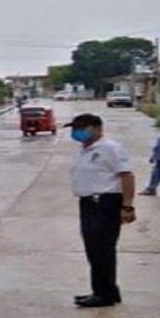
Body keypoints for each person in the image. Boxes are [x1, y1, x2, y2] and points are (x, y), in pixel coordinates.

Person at [66, 113, 136, 308]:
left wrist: (127, 206)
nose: (76, 132)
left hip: (105, 202)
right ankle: (107, 291)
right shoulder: (86, 149)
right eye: (74, 128)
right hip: (89, 203)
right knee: (94, 249)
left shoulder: (110, 148)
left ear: (96, 128)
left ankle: (103, 294)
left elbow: (126, 176)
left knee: (102, 249)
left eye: (81, 128)